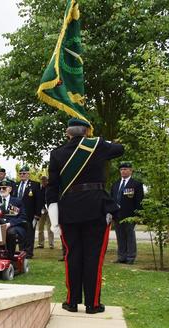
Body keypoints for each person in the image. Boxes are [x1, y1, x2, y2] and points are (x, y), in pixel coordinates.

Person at [46, 118, 124, 314]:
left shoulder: (57, 154)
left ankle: (72, 302)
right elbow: (119, 149)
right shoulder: (97, 146)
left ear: (67, 133)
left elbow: (52, 189)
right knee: (93, 257)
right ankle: (93, 304)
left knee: (73, 256)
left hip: (69, 210)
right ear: (87, 132)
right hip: (95, 208)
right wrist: (100, 139)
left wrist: (54, 220)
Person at [110, 161, 144, 264]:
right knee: (120, 236)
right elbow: (111, 199)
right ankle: (121, 257)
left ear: (130, 171)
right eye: (121, 169)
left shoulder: (136, 184)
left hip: (130, 215)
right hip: (117, 215)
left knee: (130, 236)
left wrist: (138, 215)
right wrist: (111, 213)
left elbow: (139, 201)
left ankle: (130, 257)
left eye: (125, 169)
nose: (123, 171)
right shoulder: (115, 185)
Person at [0, 180, 27, 260]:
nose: (2, 190)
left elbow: (23, 217)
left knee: (10, 232)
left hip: (14, 226)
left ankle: (10, 255)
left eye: (4, 188)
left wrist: (10, 224)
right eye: (0, 188)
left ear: (10, 189)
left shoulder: (17, 201)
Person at [16, 166, 42, 258]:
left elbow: (39, 201)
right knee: (19, 233)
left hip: (30, 214)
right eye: (20, 174)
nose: (22, 175)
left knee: (29, 234)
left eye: (24, 173)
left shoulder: (35, 185)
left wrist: (37, 214)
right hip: (17, 215)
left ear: (28, 174)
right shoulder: (16, 185)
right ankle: (21, 251)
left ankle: (29, 252)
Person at [37, 176, 54, 249]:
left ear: (47, 181)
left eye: (45, 181)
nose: (43, 182)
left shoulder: (51, 188)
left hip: (50, 209)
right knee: (40, 227)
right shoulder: (39, 189)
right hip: (42, 210)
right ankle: (41, 243)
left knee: (50, 227)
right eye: (42, 181)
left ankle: (51, 244)